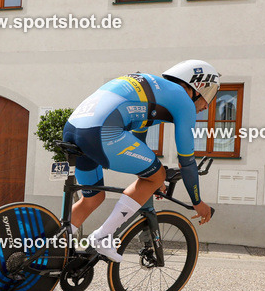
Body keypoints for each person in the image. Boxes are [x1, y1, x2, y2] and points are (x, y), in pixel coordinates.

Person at [62, 60, 217, 262]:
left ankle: (49, 249)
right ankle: (102, 237)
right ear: (198, 87)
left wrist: (150, 176)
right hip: (101, 131)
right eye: (210, 97)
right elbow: (186, 161)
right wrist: (197, 202)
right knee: (157, 174)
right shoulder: (183, 101)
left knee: (92, 198)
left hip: (73, 129)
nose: (206, 107)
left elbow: (139, 140)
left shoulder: (152, 89)